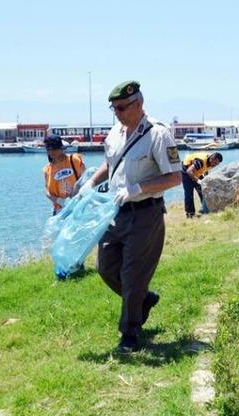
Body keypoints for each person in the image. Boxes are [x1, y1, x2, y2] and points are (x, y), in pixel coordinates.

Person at [77, 80, 182, 354]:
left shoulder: (158, 134)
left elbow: (174, 177)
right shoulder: (116, 132)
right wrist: (91, 183)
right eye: (114, 108)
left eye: (122, 107)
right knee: (106, 267)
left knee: (133, 275)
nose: (118, 113)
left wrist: (138, 189)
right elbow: (111, 163)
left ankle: (130, 333)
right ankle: (144, 300)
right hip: (115, 211)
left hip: (144, 213)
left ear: (139, 104)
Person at [42, 134, 86, 215]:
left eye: (54, 148)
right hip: (59, 211)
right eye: (48, 149)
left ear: (61, 147)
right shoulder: (47, 169)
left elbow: (86, 180)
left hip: (78, 208)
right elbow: (47, 191)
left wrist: (77, 197)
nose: (51, 152)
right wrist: (60, 201)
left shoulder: (74, 160)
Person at [181, 151, 222, 218]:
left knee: (203, 191)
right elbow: (189, 171)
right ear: (211, 158)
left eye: (217, 164)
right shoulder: (200, 162)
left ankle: (205, 210)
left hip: (197, 171)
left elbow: (206, 169)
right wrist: (198, 181)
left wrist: (205, 180)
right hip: (186, 171)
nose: (215, 165)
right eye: (214, 163)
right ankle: (190, 214)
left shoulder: (211, 162)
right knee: (189, 193)